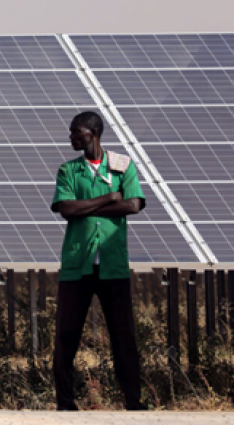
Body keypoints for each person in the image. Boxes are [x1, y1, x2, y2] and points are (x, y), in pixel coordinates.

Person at [50, 111, 148, 411]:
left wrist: (87, 208)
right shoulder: (68, 170)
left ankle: (134, 402)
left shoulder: (122, 166)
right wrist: (108, 199)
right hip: (77, 265)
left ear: (92, 133)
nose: (71, 137)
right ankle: (65, 404)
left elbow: (133, 204)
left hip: (112, 264)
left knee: (123, 336)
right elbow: (66, 209)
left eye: (76, 132)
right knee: (67, 335)